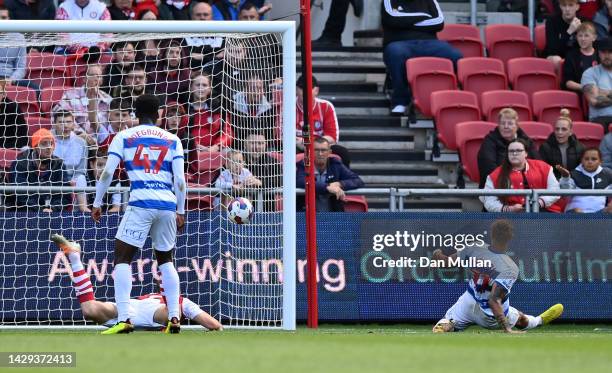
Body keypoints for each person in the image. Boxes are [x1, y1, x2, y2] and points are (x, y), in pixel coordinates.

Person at [91, 94, 187, 334]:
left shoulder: (123, 137)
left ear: (134, 114)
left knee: (122, 259)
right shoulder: (173, 139)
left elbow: (106, 173)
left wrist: (97, 202)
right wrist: (181, 210)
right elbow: (181, 181)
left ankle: (124, 318)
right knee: (166, 260)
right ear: (159, 114)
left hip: (140, 202)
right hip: (167, 205)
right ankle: (174, 317)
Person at [50, 234, 223, 331]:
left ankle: (173, 320)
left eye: (164, 277)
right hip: (126, 311)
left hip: (161, 315)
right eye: (161, 276)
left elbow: (215, 326)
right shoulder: (150, 297)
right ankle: (73, 256)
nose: (160, 278)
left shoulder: (183, 302)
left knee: (174, 309)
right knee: (89, 310)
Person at [431, 220, 564, 333]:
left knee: (449, 321)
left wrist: (437, 253)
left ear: (492, 234)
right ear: (510, 238)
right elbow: (493, 300)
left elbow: (446, 262)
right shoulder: (510, 268)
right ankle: (539, 321)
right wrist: (506, 328)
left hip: (468, 302)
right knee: (521, 320)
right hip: (489, 315)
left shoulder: (474, 247)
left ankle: (446, 324)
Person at [381, 0, 462, 115]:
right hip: (399, 43)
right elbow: (393, 19)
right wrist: (424, 16)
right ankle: (400, 101)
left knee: (455, 55)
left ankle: (448, 98)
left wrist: (406, 23)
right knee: (396, 53)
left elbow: (439, 22)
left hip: (429, 43)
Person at [481, 139, 561, 212]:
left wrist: (539, 202)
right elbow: (489, 200)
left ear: (526, 153)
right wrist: (507, 209)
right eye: (511, 151)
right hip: (511, 216)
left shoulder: (544, 168)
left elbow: (555, 191)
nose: (514, 153)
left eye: (518, 150)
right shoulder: (495, 175)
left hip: (544, 212)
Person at [6, 128, 70, 212]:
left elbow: (65, 196)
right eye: (44, 144)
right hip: (25, 213)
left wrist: (53, 208)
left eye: (51, 143)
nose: (49, 147)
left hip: (53, 213)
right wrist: (40, 210)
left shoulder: (59, 165)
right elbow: (21, 196)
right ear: (35, 147)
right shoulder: (20, 164)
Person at [296, 137, 364, 212]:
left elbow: (358, 181)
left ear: (329, 152)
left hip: (333, 217)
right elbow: (300, 181)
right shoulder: (303, 165)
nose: (320, 153)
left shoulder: (336, 164)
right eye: (316, 150)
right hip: (306, 217)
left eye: (323, 150)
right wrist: (327, 187)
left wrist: (339, 184)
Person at [295, 74, 350, 167]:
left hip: (319, 145)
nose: (305, 91)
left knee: (343, 153)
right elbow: (280, 134)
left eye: (310, 88)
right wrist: (298, 143)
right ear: (296, 90)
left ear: (316, 90)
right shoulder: (287, 106)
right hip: (295, 145)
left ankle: (343, 181)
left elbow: (332, 137)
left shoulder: (326, 106)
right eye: (301, 88)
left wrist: (311, 144)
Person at [477, 108, 540, 188]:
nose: (506, 126)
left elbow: (537, 164)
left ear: (516, 126)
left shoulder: (526, 141)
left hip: (525, 186)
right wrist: (512, 181)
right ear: (498, 125)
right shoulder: (489, 141)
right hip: (497, 187)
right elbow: (488, 168)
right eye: (502, 123)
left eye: (510, 123)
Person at [55, 64, 112, 137]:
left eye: (99, 76)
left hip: (101, 141)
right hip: (76, 139)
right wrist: (81, 135)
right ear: (84, 79)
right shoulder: (70, 95)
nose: (96, 79)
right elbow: (58, 117)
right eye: (93, 75)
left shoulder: (107, 99)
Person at [185, 71, 233, 154]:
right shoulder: (184, 109)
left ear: (210, 89)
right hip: (190, 150)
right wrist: (194, 146)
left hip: (215, 151)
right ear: (191, 88)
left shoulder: (218, 109)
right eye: (197, 85)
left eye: (204, 85)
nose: (201, 88)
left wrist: (216, 146)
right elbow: (181, 132)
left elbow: (228, 133)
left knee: (229, 152)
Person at [51, 110, 90, 212]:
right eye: (61, 122)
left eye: (68, 122)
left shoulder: (81, 143)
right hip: (53, 178)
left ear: (73, 123)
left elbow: (81, 169)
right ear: (54, 124)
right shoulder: (47, 139)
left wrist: (72, 180)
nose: (65, 125)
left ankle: (83, 209)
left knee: (81, 178)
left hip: (73, 178)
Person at [558, 148, 612, 212]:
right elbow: (566, 195)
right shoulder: (574, 174)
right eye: (586, 159)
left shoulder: (608, 174)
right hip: (575, 213)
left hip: (599, 214)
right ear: (582, 161)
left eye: (594, 159)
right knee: (577, 211)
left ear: (600, 162)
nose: (590, 162)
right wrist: (565, 178)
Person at [0, 7, 40, 93]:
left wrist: (11, 80)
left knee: (36, 89)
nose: (1, 21)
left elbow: (21, 67)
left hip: (10, 77)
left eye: (3, 18)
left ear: (9, 19)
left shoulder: (19, 38)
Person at [539, 109, 585, 179]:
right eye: (557, 129)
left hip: (574, 182)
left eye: (564, 129)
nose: (560, 132)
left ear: (570, 132)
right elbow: (543, 170)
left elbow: (583, 170)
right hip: (553, 183)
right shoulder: (545, 148)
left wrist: (569, 177)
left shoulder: (580, 148)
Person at [243, 131, 282, 211]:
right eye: (253, 143)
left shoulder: (273, 162)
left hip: (267, 212)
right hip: (240, 213)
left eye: (260, 143)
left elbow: (280, 180)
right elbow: (217, 181)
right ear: (245, 144)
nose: (256, 147)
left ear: (265, 145)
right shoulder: (236, 160)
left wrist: (260, 183)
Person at [581, 36, 612, 132]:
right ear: (598, 53)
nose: (606, 55)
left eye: (610, 52)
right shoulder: (590, 73)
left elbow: (599, 97)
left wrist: (603, 93)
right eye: (603, 52)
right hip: (601, 119)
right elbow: (595, 100)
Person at [148, 40, 191, 105]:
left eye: (177, 53)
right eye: (171, 52)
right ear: (164, 55)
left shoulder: (187, 74)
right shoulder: (153, 75)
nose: (174, 56)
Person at [544, 0, 581, 70]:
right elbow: (553, 50)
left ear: (577, 7)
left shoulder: (583, 22)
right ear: (560, 6)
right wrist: (569, 32)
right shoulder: (552, 21)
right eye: (564, 5)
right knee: (556, 59)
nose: (567, 9)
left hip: (575, 56)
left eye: (571, 5)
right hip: (556, 56)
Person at [562, 21, 598, 93]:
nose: (583, 39)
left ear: (594, 38)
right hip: (579, 93)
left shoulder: (600, 55)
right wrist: (585, 87)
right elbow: (568, 82)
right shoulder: (571, 56)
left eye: (586, 35)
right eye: (580, 36)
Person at [0, 79, 28, 149]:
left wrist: (3, 148)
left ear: (4, 94)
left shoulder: (13, 108)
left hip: (9, 149)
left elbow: (23, 139)